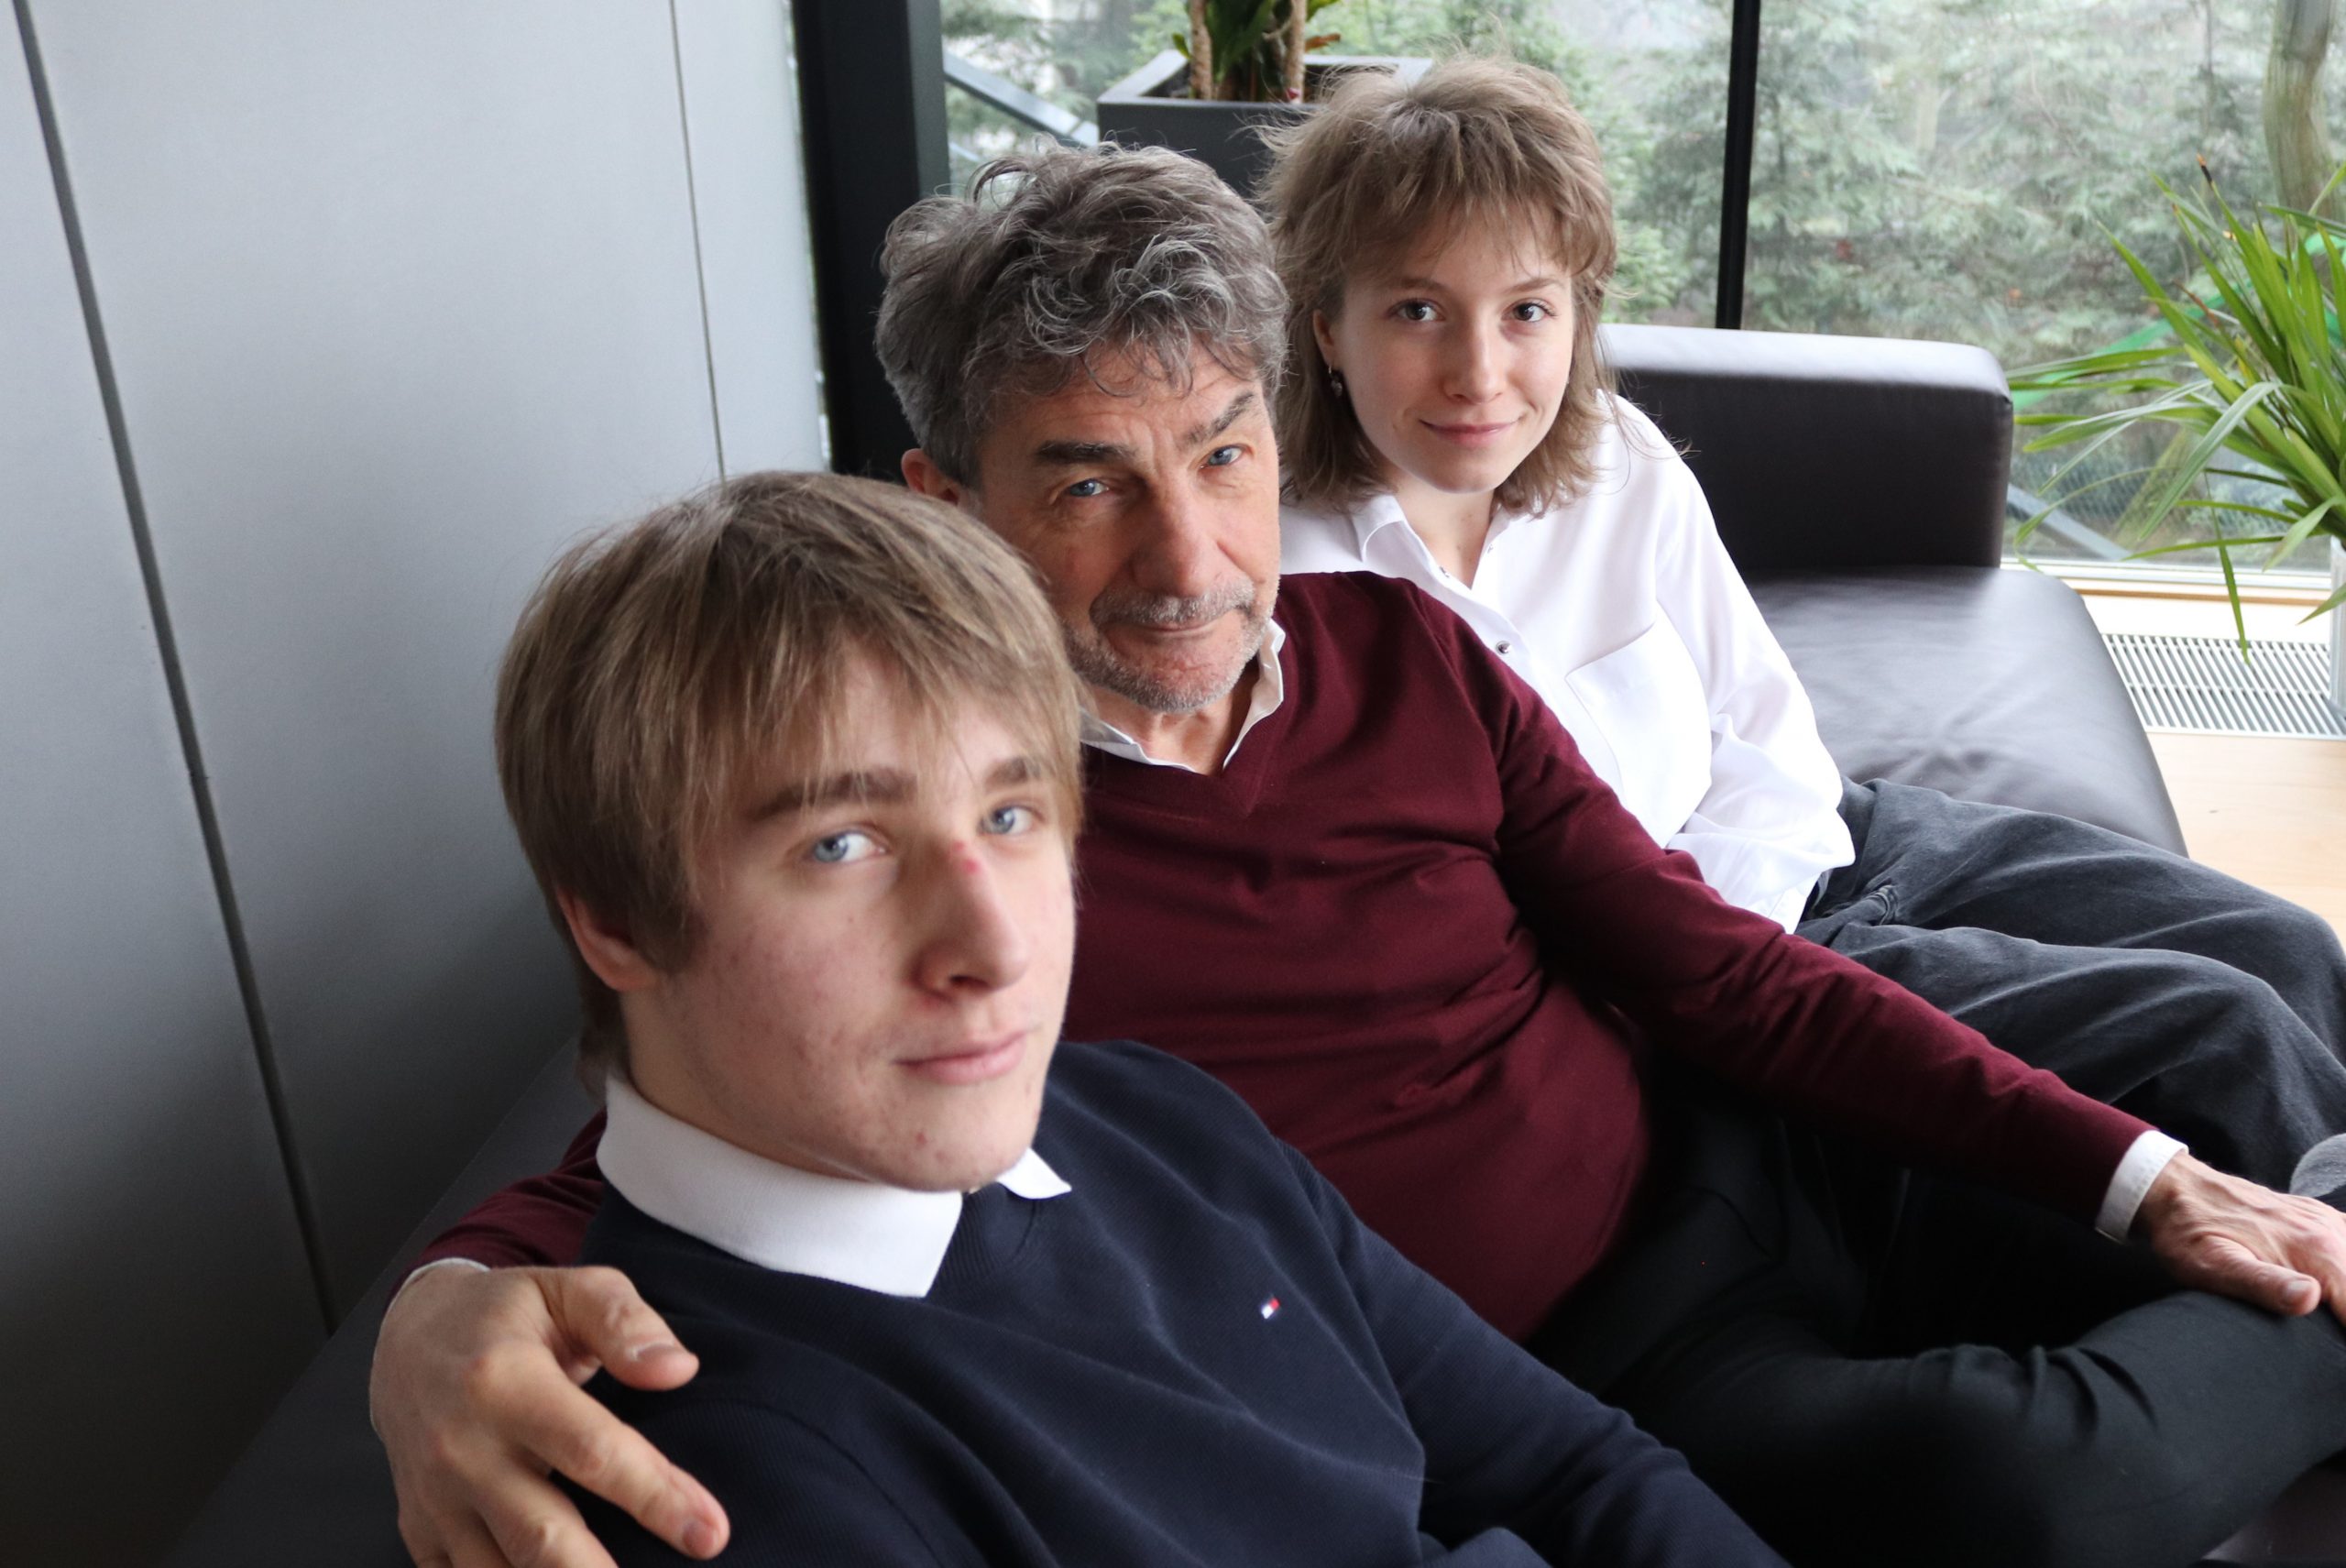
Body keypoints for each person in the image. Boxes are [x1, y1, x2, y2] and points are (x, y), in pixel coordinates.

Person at [370, 143, 2346, 1568]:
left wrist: (2141, 1185)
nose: (1187, 558)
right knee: (2038, 1484)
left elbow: (1711, 968)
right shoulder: (992, 871)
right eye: (1088, 482)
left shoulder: (1398, 650)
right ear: (945, 502)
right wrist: (438, 1304)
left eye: (1225, 455)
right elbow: (694, 1119)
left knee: (2220, 1045)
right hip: (1618, 1346)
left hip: (1738, 1136)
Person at [467, 466, 1787, 1566]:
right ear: (617, 920)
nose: (997, 944)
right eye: (842, 845)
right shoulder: (709, 1482)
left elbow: (1580, 1467)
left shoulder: (1155, 1112)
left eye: (1009, 813)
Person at [1264, 56, 2346, 1190]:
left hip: (1831, 842)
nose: (1480, 373)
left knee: (2288, 946)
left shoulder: (1618, 460)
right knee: (2225, 1038)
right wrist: (1739, 958)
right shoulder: (1289, 584)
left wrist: (1774, 882)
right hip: (1717, 979)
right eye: (1418, 311)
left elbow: (1768, 733)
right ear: (1328, 327)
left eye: (1527, 310)